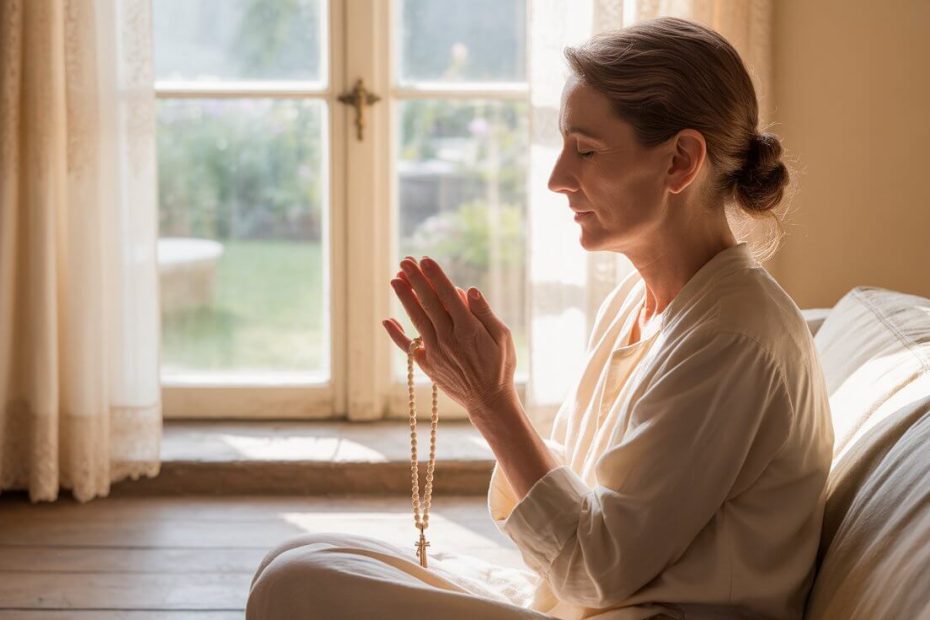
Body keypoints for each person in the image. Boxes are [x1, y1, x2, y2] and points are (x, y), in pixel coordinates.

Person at [246, 16, 834, 620]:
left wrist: (491, 402)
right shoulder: (637, 303)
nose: (557, 178)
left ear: (680, 161)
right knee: (302, 556)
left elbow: (592, 569)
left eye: (586, 150)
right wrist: (482, 394)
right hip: (577, 606)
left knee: (297, 585)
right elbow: (583, 527)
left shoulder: (732, 338)